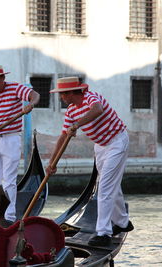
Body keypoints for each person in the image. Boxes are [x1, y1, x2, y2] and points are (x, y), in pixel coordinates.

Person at [46, 77, 133, 247]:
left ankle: (103, 233)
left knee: (105, 187)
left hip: (117, 141)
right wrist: (52, 163)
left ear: (71, 92)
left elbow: (97, 110)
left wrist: (77, 125)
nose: (61, 97)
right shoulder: (71, 111)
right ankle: (123, 223)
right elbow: (63, 136)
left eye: (63, 94)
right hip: (100, 146)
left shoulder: (91, 97)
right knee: (111, 185)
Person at [0, 65, 40, 225]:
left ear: (3, 78)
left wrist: (31, 104)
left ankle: (9, 217)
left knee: (9, 180)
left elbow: (35, 95)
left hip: (11, 138)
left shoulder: (15, 88)